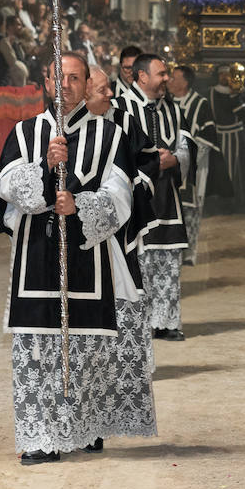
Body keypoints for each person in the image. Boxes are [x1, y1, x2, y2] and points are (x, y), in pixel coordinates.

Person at [0, 51, 135, 463]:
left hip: (89, 253)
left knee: (86, 343)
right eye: (59, 77)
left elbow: (121, 194)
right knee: (37, 343)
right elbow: (6, 184)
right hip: (36, 252)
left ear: (87, 84)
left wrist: (82, 206)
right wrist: (44, 167)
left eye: (74, 78)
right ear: (45, 81)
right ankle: (39, 435)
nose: (65, 85)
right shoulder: (24, 131)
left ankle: (86, 425)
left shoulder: (110, 135)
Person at [85, 67, 158, 443]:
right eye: (102, 89)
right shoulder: (45, 132)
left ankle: (98, 421)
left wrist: (132, 185)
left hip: (115, 239)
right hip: (61, 249)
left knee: (109, 330)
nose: (111, 93)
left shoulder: (121, 125)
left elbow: (145, 160)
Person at [113, 53, 191, 341]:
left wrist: (176, 159)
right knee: (140, 262)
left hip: (166, 197)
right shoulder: (118, 108)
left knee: (168, 260)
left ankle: (167, 322)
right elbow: (113, 152)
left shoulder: (171, 108)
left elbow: (185, 144)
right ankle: (140, 321)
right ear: (142, 76)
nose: (166, 79)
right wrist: (147, 164)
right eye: (161, 74)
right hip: (136, 198)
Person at [169, 63, 220, 266]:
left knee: (191, 208)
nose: (169, 81)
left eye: (174, 78)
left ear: (185, 82)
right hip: (168, 167)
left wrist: (185, 160)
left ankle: (189, 250)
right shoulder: (165, 102)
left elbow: (207, 139)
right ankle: (174, 247)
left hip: (195, 168)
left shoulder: (200, 104)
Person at [210, 63, 245, 209]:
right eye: (221, 74)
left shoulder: (239, 92)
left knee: (237, 167)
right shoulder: (211, 92)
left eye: (227, 74)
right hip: (218, 135)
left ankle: (237, 200)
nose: (224, 77)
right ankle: (220, 200)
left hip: (236, 135)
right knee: (218, 167)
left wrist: (236, 97)